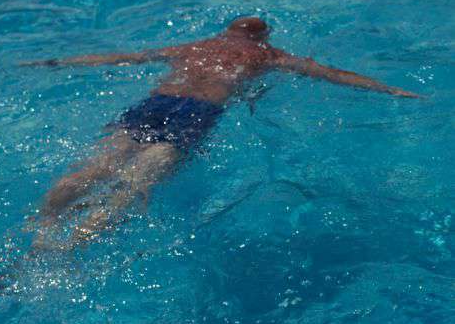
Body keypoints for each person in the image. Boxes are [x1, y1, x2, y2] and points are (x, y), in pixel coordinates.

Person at [23, 16, 420, 248]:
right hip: (196, 113)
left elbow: (121, 58)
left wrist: (57, 61)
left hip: (154, 103)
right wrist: (391, 88)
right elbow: (332, 75)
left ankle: (41, 228)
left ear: (226, 32)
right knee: (138, 181)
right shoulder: (267, 55)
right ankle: (74, 246)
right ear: (261, 39)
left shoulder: (193, 47)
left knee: (95, 166)